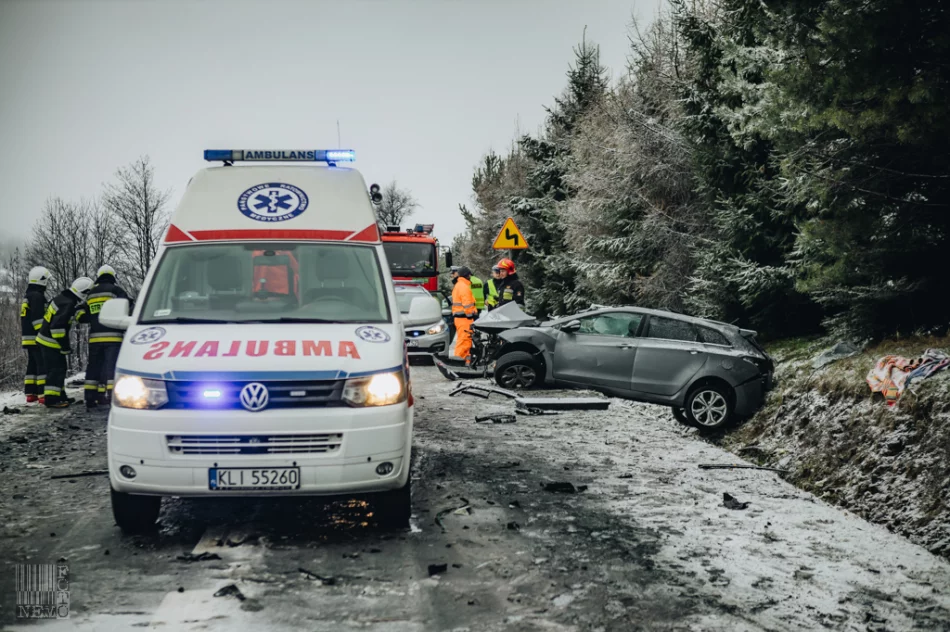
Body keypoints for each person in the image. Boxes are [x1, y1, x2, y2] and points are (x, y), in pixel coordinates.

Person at [75, 265, 131, 409]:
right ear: (113, 276)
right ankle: (113, 398)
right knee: (111, 368)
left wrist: (92, 318)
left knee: (94, 367)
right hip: (113, 337)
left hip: (95, 338)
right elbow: (129, 307)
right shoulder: (116, 291)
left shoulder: (91, 293)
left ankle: (90, 398)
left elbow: (81, 315)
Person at [36, 277, 94, 408]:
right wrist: (65, 347)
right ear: (83, 292)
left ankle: (60, 396)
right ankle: (51, 399)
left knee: (60, 368)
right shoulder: (67, 303)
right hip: (50, 342)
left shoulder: (63, 298)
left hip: (46, 340)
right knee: (55, 370)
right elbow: (57, 328)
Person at [20, 266, 52, 403]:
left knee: (32, 365)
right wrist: (44, 334)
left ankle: (30, 393)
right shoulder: (37, 297)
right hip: (37, 337)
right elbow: (38, 319)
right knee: (42, 364)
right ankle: (42, 394)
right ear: (42, 280)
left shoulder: (29, 296)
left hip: (28, 338)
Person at [450, 266, 477, 364]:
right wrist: (472, 314)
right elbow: (467, 304)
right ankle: (458, 361)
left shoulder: (459, 285)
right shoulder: (464, 287)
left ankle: (465, 361)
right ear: (467, 275)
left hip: (460, 318)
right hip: (465, 318)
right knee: (464, 341)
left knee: (464, 340)